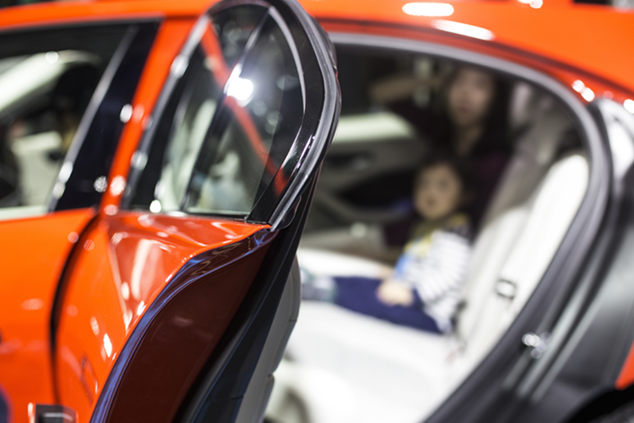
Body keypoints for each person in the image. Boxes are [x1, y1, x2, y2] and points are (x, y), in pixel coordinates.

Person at [302, 153, 474, 334]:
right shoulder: (428, 228)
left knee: (378, 302)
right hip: (408, 293)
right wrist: (397, 276)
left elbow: (447, 276)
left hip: (429, 316)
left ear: (465, 195)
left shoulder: (455, 234)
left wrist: (413, 295)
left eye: (442, 185)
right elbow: (415, 262)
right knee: (365, 283)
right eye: (424, 184)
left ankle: (327, 294)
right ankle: (323, 282)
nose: (430, 191)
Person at [372, 65, 511, 228]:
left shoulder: (495, 162)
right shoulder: (438, 128)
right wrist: (437, 79)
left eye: (479, 85)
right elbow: (379, 93)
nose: (465, 93)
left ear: (496, 97)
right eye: (458, 81)